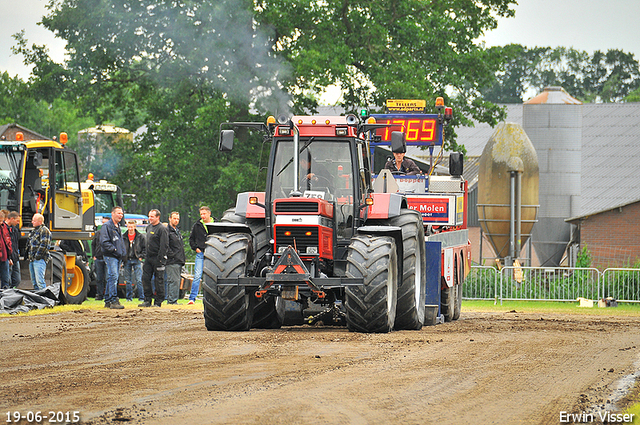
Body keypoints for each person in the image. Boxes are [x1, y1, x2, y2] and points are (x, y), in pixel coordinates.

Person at [139, 209, 169, 307]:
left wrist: (161, 259)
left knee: (158, 280)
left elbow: (164, 245)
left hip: (157, 258)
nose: (149, 218)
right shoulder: (148, 227)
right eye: (149, 216)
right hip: (148, 258)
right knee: (145, 278)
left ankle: (158, 301)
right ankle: (147, 300)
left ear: (157, 217)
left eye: (152, 216)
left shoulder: (162, 229)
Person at [99, 207, 127, 309]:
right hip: (111, 256)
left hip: (117, 256)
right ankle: (113, 299)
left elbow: (120, 242)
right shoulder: (107, 226)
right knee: (113, 276)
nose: (121, 215)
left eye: (122, 214)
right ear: (113, 214)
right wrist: (114, 250)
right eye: (119, 213)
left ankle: (107, 300)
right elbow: (104, 242)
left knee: (112, 277)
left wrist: (122, 253)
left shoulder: (118, 226)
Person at [188, 206, 214, 305]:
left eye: (204, 214)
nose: (202, 216)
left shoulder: (216, 224)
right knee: (197, 276)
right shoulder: (197, 225)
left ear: (209, 213)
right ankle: (192, 298)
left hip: (213, 254)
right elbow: (191, 239)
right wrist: (196, 248)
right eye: (201, 214)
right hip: (201, 253)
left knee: (213, 276)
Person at [25, 213, 50, 291]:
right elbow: (29, 244)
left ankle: (44, 299)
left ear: (40, 221)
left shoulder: (44, 230)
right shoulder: (33, 231)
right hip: (32, 259)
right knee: (34, 282)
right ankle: (38, 299)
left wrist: (37, 256)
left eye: (34, 221)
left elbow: (44, 245)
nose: (32, 222)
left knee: (40, 282)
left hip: (39, 260)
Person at [123, 220, 146, 302]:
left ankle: (141, 297)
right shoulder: (124, 237)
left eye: (132, 227)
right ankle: (129, 298)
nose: (130, 228)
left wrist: (141, 256)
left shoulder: (140, 237)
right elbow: (122, 248)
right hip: (127, 259)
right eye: (129, 227)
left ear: (135, 227)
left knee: (139, 280)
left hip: (136, 259)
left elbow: (144, 248)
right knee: (128, 280)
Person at [165, 211, 185, 305]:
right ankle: (172, 301)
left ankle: (173, 299)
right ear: (170, 218)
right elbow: (166, 245)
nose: (176, 220)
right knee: (173, 281)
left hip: (178, 260)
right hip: (172, 260)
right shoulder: (167, 231)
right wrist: (172, 255)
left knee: (176, 281)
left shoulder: (177, 231)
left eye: (177, 219)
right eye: (174, 218)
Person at [92, 216, 110, 300]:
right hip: (98, 258)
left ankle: (108, 295)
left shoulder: (111, 233)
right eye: (103, 223)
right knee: (99, 278)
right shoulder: (98, 233)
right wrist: (94, 255)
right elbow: (93, 244)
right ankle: (99, 295)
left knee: (108, 278)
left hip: (108, 258)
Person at [6, 211, 21, 288]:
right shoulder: (4, 229)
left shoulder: (14, 230)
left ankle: (12, 291)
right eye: (17, 220)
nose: (18, 223)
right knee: (7, 279)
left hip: (15, 258)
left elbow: (15, 244)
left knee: (17, 280)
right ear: (11, 218)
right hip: (8, 258)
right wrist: (8, 258)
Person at [0, 210, 13, 289]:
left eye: (2, 221)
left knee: (6, 279)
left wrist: (9, 256)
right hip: (3, 256)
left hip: (4, 257)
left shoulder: (4, 227)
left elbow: (7, 241)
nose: (1, 223)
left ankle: (5, 296)